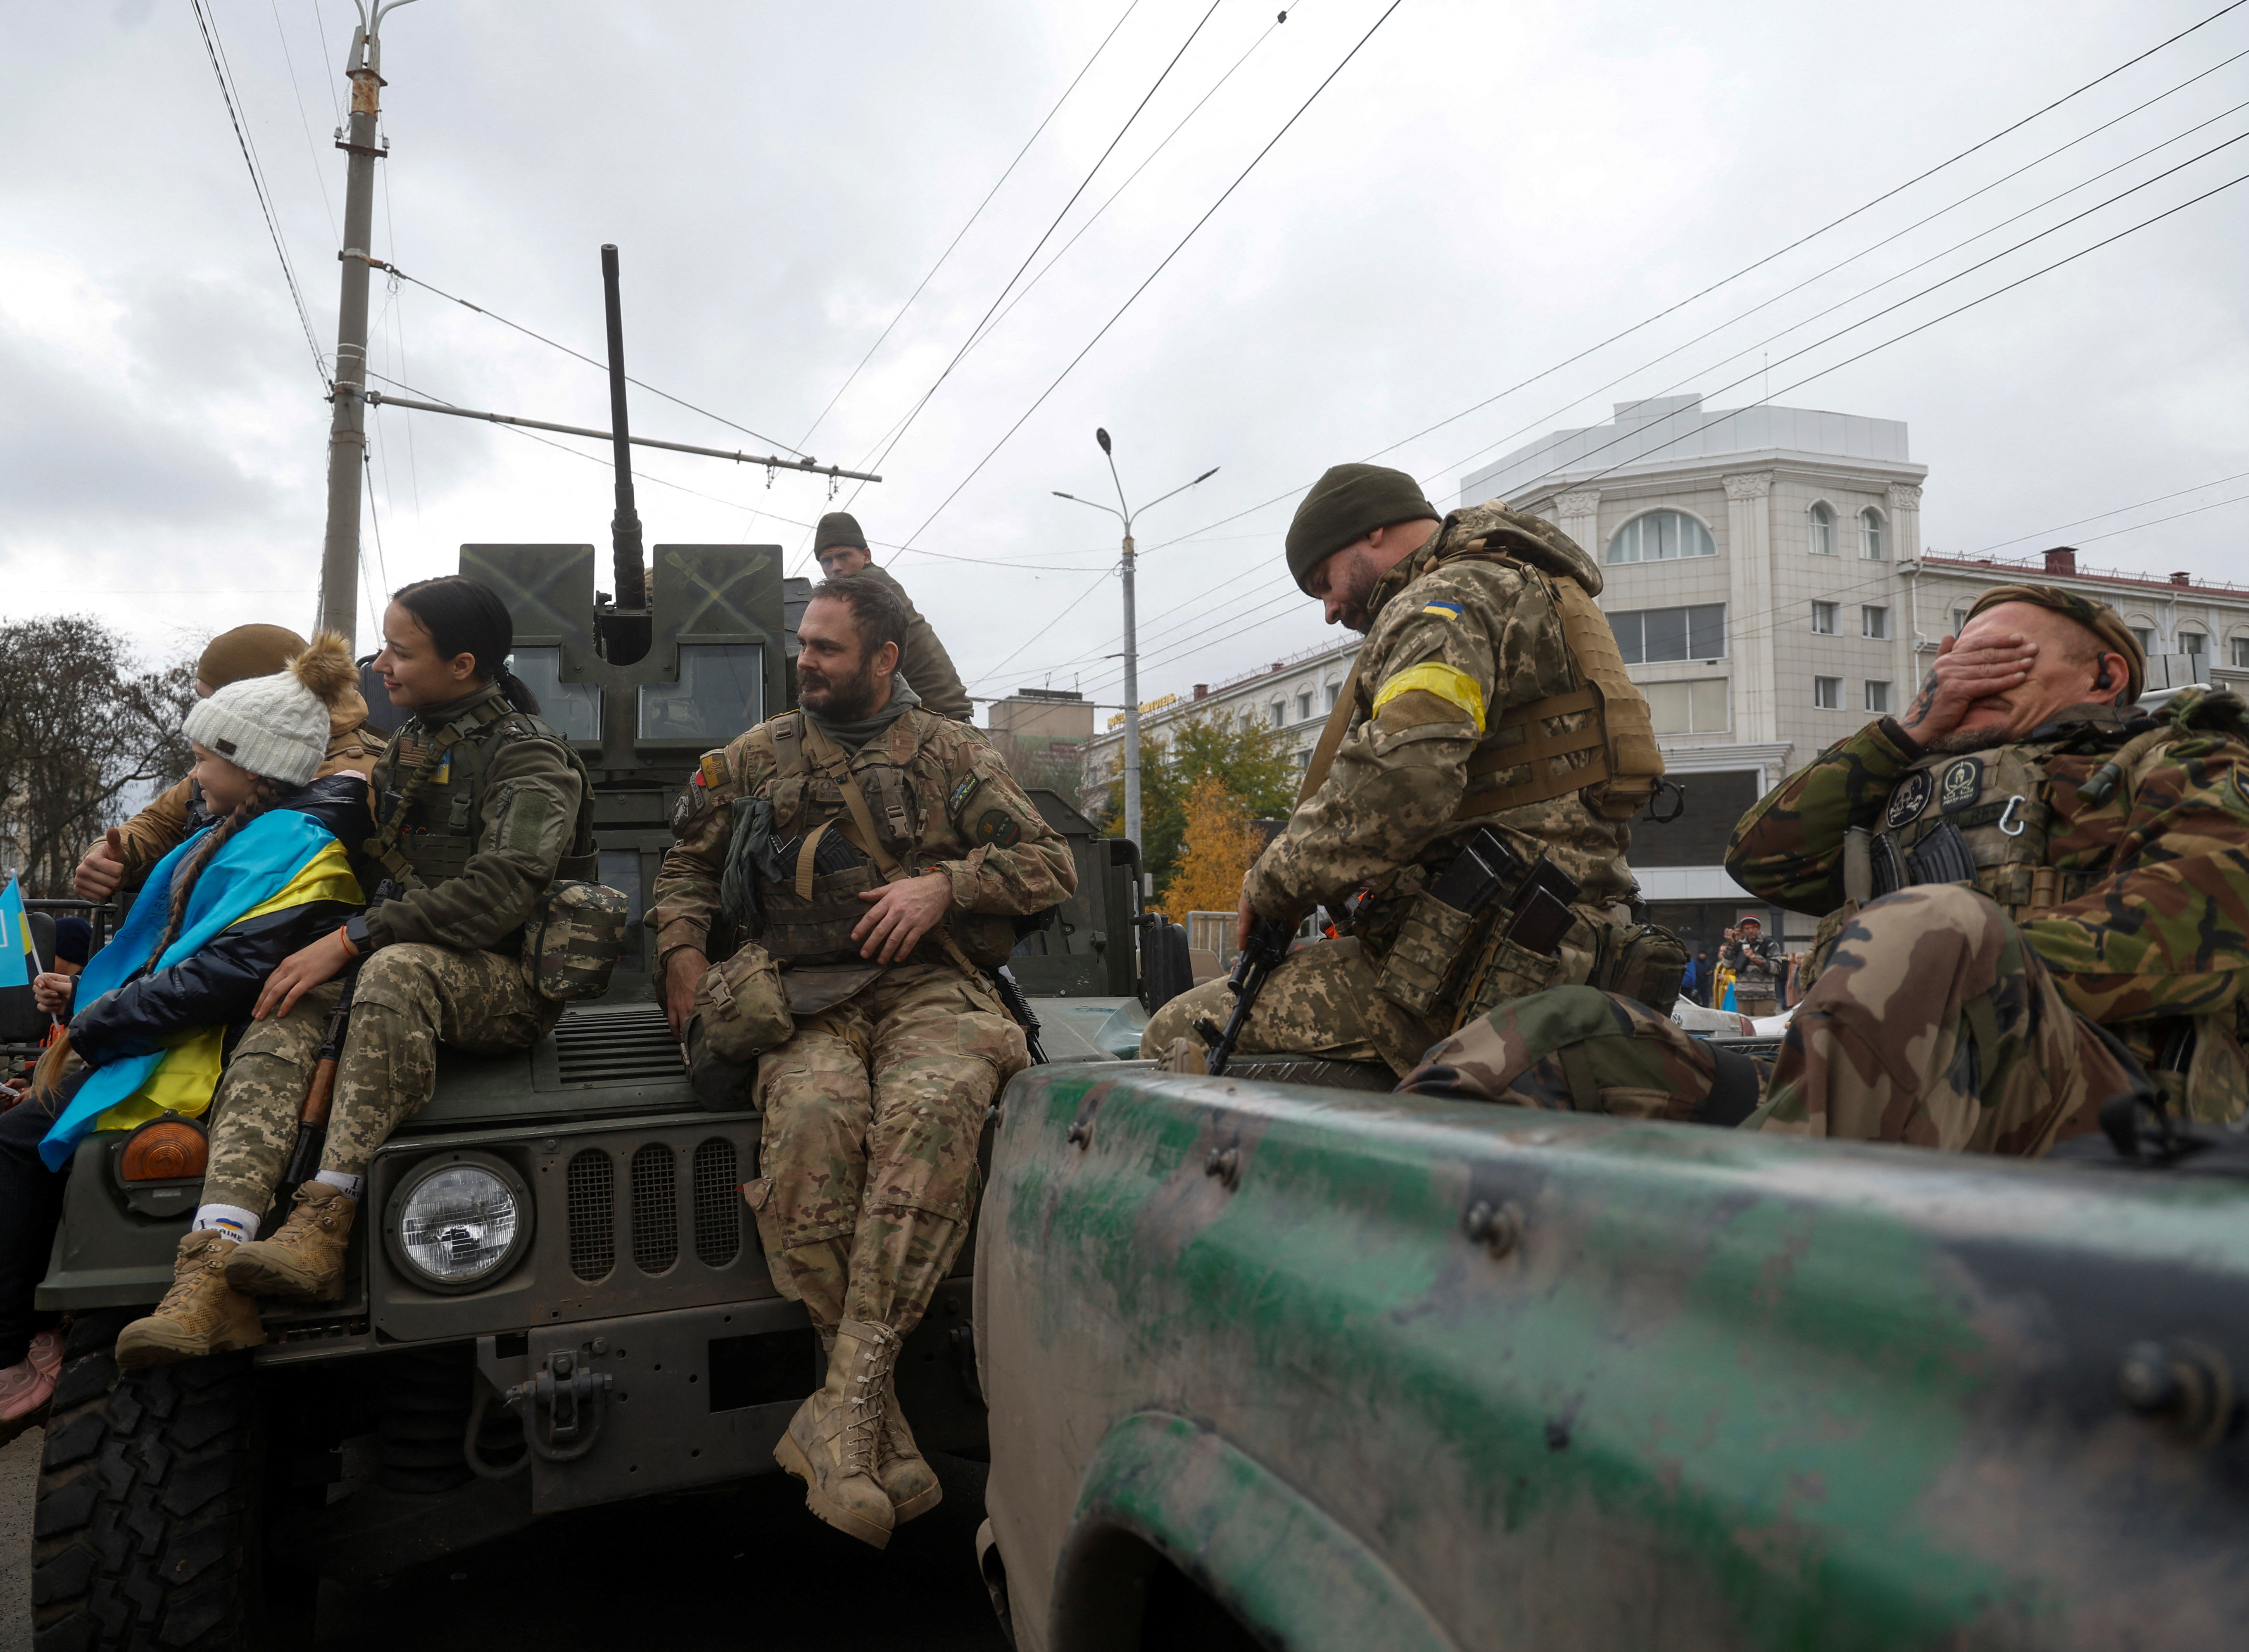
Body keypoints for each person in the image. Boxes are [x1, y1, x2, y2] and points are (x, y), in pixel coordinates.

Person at [0, 641, 368, 1461]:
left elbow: (226, 973)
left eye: (206, 756)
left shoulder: (292, 848)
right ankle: (11, 1344)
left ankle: (0, 1353)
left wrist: (98, 1025)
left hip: (198, 1058)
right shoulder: (240, 831)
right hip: (153, 1034)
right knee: (22, 1142)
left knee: (23, 1145)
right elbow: (180, 952)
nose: (194, 773)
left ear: (255, 766)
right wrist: (88, 998)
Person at [649, 572, 1073, 1547]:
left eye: (828, 649)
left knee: (933, 1110)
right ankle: (871, 1415)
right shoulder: (754, 757)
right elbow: (686, 864)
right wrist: (680, 953)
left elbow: (1050, 861)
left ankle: (841, 1407)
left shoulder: (953, 752)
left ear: (885, 660)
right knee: (810, 1125)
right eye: (804, 644)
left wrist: (946, 885)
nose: (806, 662)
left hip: (933, 986)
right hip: (802, 995)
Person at [116, 577, 599, 1364]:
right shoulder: (411, 745)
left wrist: (351, 940)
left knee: (392, 970)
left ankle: (323, 1220)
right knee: (281, 1007)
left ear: (465, 663)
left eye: (402, 652)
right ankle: (213, 1265)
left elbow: (502, 894)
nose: (383, 667)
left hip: (508, 987)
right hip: (403, 969)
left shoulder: (530, 757)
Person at [1725, 583, 2249, 1151]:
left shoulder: (2183, 764)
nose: (1966, 678)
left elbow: (2209, 928)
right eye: (1956, 663)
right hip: (1902, 1069)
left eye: (2000, 659)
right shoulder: (1907, 786)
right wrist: (1907, 733)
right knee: (1639, 1048)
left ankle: (1755, 1216)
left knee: (1931, 925)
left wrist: (1951, 966)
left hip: (2109, 1096)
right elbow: (1764, 863)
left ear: (2106, 677)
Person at [1139, 465, 1669, 1074]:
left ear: (1371, 533)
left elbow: (1404, 781)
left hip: (1484, 962)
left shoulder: (1443, 601)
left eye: (1325, 582)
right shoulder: (1531, 586)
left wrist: (1272, 882)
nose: (1332, 610)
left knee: (1175, 1034)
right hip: (1576, 938)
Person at [73, 623, 389, 902]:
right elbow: (162, 821)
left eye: (218, 700)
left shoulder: (355, 779)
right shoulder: (237, 759)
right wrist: (112, 857)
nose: (214, 712)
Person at [810, 512, 973, 722]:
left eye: (844, 556)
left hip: (937, 719)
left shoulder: (865, 590)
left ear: (866, 556)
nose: (836, 567)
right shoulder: (875, 582)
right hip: (944, 715)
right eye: (827, 561)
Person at [1719, 918, 1782, 1017]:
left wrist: (1756, 958)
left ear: (1759, 929)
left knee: (1764, 1027)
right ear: (1744, 930)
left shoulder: (1770, 944)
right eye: (1747, 928)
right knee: (1745, 1028)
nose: (1751, 931)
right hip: (1742, 996)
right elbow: (1727, 965)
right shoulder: (1739, 945)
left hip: (1764, 996)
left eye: (1753, 928)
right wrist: (1731, 945)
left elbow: (1777, 968)